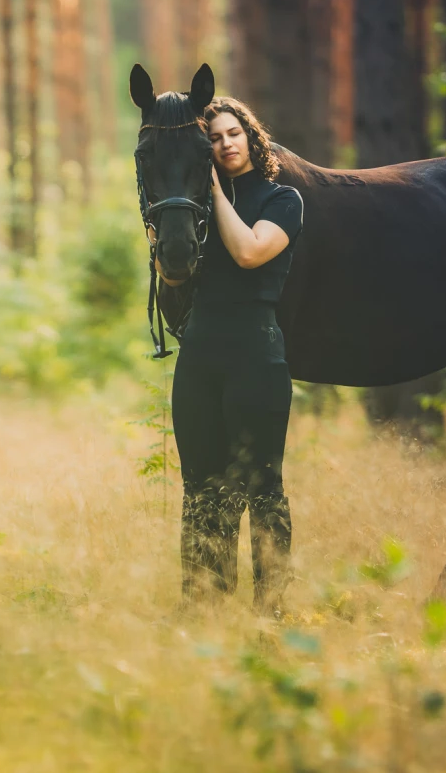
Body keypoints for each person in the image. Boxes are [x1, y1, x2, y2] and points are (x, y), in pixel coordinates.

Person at [156, 97, 303, 612]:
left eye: (232, 133)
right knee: (199, 491)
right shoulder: (192, 213)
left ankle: (271, 617)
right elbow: (174, 281)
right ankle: (202, 609)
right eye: (213, 139)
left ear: (250, 135)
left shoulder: (282, 199)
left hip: (256, 359)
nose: (225, 144)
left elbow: (249, 252)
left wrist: (212, 188)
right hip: (199, 359)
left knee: (263, 489)